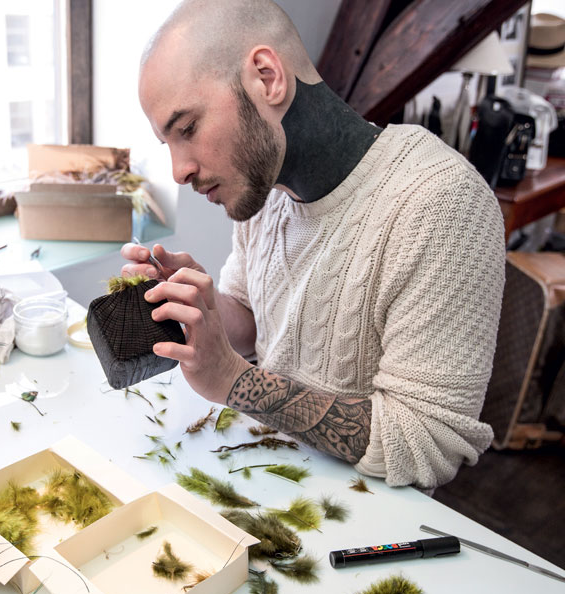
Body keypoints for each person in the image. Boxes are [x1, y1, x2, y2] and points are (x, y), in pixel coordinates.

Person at [120, 0, 505, 489]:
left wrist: (236, 381)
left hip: (367, 522)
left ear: (267, 77)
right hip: (268, 475)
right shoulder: (265, 188)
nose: (180, 170)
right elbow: (254, 319)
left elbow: (429, 440)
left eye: (189, 129)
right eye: (169, 143)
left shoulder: (442, 204)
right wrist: (202, 307)